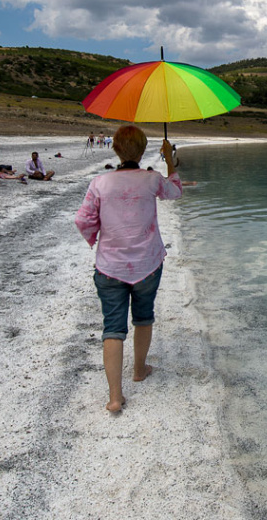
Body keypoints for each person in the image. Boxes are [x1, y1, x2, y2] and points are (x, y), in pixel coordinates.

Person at [75, 125, 181, 413]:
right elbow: (175, 192)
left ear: (116, 150)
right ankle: (138, 369)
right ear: (144, 149)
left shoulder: (100, 183)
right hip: (147, 265)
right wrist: (169, 159)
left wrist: (99, 239)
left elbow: (83, 221)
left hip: (109, 267)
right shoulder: (151, 180)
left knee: (113, 327)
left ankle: (114, 397)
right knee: (143, 317)